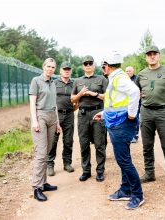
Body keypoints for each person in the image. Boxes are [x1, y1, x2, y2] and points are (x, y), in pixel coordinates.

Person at [94, 51, 144, 210]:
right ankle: (125, 189)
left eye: (103, 65)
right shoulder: (115, 78)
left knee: (123, 160)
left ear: (107, 66)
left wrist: (131, 113)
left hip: (122, 124)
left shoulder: (119, 78)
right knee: (123, 158)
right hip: (117, 121)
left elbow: (135, 92)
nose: (103, 68)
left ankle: (137, 195)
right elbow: (114, 102)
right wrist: (103, 113)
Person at [71, 55, 107, 182]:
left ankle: (100, 171)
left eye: (90, 63)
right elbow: (72, 99)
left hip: (98, 113)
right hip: (83, 115)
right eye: (85, 64)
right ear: (83, 66)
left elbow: (108, 97)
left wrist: (94, 94)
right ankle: (86, 171)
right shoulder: (77, 81)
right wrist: (81, 93)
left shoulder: (101, 79)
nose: (88, 66)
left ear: (93, 64)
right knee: (84, 144)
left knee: (99, 144)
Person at [29, 58, 61, 202]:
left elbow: (55, 104)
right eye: (48, 66)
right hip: (40, 116)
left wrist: (58, 123)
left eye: (53, 67)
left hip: (52, 117)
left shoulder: (53, 83)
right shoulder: (36, 81)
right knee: (41, 153)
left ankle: (44, 183)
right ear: (43, 67)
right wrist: (35, 120)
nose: (50, 69)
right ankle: (37, 188)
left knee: (47, 151)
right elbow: (32, 103)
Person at [136, 45, 165, 183]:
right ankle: (149, 173)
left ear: (159, 56)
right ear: (146, 57)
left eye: (154, 54)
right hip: (146, 111)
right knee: (147, 145)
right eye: (149, 54)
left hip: (163, 112)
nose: (152, 56)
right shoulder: (141, 74)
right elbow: (135, 92)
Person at [47, 61, 75, 176]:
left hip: (69, 114)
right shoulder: (53, 83)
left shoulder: (74, 84)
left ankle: (67, 163)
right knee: (53, 140)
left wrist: (74, 109)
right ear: (60, 71)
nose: (67, 71)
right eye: (65, 69)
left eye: (68, 69)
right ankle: (50, 164)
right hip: (56, 115)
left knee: (68, 141)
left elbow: (77, 99)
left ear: (71, 71)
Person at [125, 66, 140, 143]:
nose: (128, 72)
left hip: (136, 103)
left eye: (129, 71)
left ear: (133, 71)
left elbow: (140, 90)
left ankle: (135, 136)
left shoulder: (137, 79)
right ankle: (129, 135)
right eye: (126, 71)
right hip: (126, 103)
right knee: (127, 120)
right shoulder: (124, 80)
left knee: (135, 119)